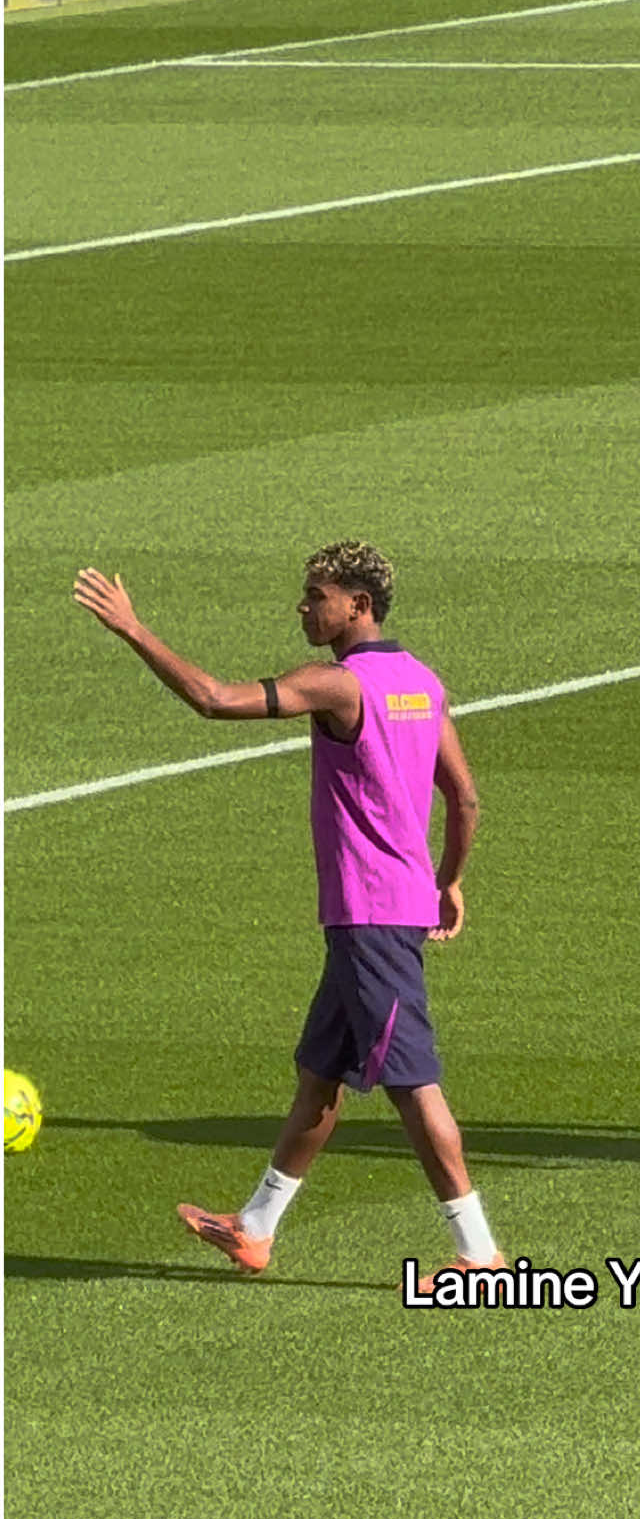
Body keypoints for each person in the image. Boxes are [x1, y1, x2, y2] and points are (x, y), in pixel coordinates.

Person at [73, 541, 504, 1284]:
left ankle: (479, 1253)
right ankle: (256, 1228)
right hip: (386, 909)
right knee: (319, 1075)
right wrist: (448, 880)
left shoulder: (338, 685)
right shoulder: (421, 682)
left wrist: (133, 629)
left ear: (358, 605)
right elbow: (463, 797)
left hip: (369, 915)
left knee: (412, 1083)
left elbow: (215, 698)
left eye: (317, 595)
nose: (303, 607)